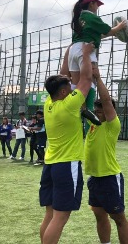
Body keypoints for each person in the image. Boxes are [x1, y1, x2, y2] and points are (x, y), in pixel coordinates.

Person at [38, 42, 94, 243]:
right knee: (61, 217)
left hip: (51, 164)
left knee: (50, 215)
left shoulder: (49, 103)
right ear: (63, 93)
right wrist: (85, 54)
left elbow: (63, 77)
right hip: (66, 164)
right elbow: (87, 79)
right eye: (68, 87)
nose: (71, 86)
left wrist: (68, 53)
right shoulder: (70, 105)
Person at [84, 66, 128, 244]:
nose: (97, 113)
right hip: (94, 178)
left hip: (109, 177)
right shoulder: (94, 124)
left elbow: (106, 102)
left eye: (100, 110)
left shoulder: (112, 125)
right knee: (99, 216)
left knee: (118, 218)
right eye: (95, 111)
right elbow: (82, 107)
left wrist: (98, 79)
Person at [67, 0, 127, 126]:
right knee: (91, 80)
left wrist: (112, 33)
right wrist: (120, 27)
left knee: (76, 85)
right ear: (91, 4)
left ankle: (80, 109)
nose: (98, 7)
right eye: (97, 4)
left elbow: (97, 35)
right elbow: (108, 31)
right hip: (86, 50)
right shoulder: (92, 17)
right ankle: (88, 111)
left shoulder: (78, 18)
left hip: (73, 50)